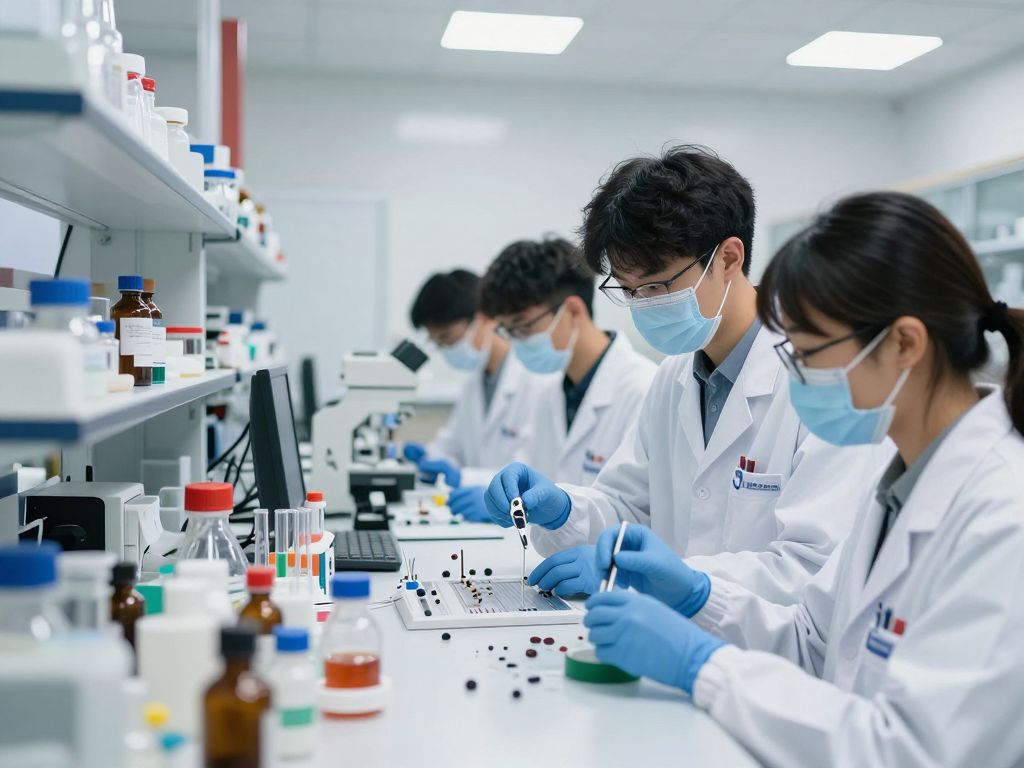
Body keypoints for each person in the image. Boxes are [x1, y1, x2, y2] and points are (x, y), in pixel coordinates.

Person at [583, 192, 1024, 767]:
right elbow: (814, 641)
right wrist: (698, 597)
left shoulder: (1002, 517)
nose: (796, 378)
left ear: (904, 344)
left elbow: (911, 752)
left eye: (810, 352)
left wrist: (705, 667)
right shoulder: (902, 483)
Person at [486, 146, 891, 604]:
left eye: (657, 285)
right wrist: (564, 511)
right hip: (670, 638)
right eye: (628, 288)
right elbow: (630, 508)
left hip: (771, 663)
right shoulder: (674, 377)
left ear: (728, 259)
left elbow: (811, 569)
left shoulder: (826, 378)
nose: (643, 303)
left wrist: (663, 578)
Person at [478, 237, 657, 493]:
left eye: (523, 326)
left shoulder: (641, 389)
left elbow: (641, 508)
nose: (517, 342)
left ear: (573, 311)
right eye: (509, 331)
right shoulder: (548, 391)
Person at [404, 269, 543, 520]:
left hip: (518, 523)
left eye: (448, 338)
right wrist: (424, 456)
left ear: (484, 318)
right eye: (438, 343)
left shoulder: (534, 379)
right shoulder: (474, 380)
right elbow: (453, 445)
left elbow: (534, 469)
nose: (447, 350)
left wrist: (463, 478)